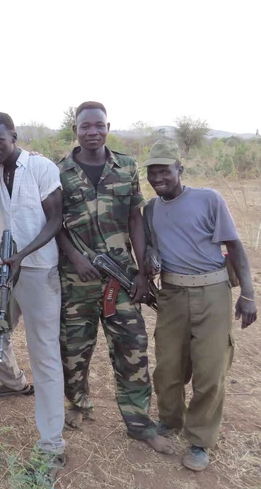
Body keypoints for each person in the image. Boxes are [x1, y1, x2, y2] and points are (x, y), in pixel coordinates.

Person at [55, 101, 174, 455]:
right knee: (74, 350)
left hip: (121, 279)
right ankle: (78, 404)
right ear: (75, 130)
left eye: (98, 125)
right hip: (76, 280)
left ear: (108, 127)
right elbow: (53, 223)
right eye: (84, 126)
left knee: (132, 350)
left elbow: (135, 217)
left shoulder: (125, 167)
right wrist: (75, 258)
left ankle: (139, 425)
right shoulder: (59, 171)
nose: (92, 131)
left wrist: (139, 271)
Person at [143, 140, 257, 471]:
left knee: (210, 370)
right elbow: (150, 244)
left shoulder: (209, 199)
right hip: (173, 295)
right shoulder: (150, 209)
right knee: (168, 367)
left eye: (165, 170)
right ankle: (169, 420)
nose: (158, 177)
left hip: (212, 294)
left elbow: (234, 248)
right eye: (152, 172)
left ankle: (200, 439)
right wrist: (150, 253)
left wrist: (248, 295)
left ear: (180, 170)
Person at [0, 112, 67, 477]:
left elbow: (55, 221)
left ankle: (52, 444)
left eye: (0, 140)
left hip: (39, 269)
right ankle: (14, 382)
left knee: (44, 355)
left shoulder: (42, 169)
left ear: (14, 136)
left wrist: (22, 256)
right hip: (7, 268)